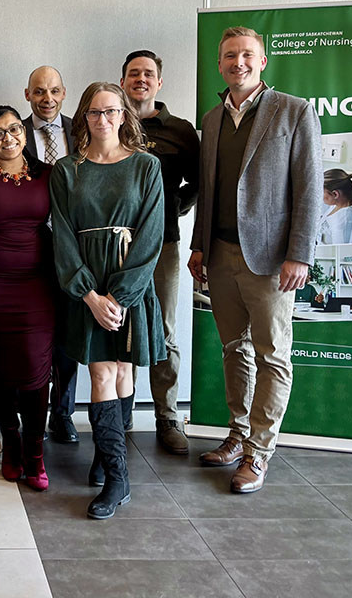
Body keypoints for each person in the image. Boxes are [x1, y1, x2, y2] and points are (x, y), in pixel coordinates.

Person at [188, 26, 322, 494]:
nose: (237, 63)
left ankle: (258, 454)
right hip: (220, 254)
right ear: (219, 63)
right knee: (234, 350)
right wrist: (199, 247)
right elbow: (209, 188)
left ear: (262, 61)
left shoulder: (293, 111)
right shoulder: (211, 118)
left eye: (247, 55)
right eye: (229, 56)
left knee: (273, 356)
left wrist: (299, 254)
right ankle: (238, 433)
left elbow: (309, 189)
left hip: (271, 261)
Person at [51, 82, 164, 520]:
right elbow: (62, 238)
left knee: (122, 370)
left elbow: (151, 237)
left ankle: (108, 454)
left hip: (129, 281)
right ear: (84, 118)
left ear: (124, 115)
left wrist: (119, 295)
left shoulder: (146, 166)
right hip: (89, 286)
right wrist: (91, 296)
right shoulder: (67, 170)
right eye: (95, 112)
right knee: (102, 371)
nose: (103, 119)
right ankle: (117, 476)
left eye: (111, 111)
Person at [0, 105, 53, 491]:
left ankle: (35, 453)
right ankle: (12, 445)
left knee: (37, 373)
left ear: (24, 132)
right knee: (0, 371)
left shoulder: (48, 175)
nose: (8, 138)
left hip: (38, 285)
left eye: (14, 129)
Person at [120, 50, 200, 456]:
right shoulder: (108, 123)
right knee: (120, 326)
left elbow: (201, 181)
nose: (141, 79)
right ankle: (121, 411)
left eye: (148, 74)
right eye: (134, 73)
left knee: (164, 329)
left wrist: (178, 206)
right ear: (123, 81)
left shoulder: (180, 130)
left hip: (164, 244)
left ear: (159, 83)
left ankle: (168, 416)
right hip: (115, 247)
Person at [21, 66, 79, 446]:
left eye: (54, 90)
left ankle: (63, 413)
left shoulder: (84, 129)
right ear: (28, 94)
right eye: (39, 91)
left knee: (69, 337)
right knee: (32, 336)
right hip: (30, 251)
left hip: (74, 248)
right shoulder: (14, 132)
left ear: (64, 92)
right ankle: (30, 413)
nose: (47, 98)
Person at [319, 168, 352, 245]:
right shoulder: (336, 205)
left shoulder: (343, 223)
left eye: (321, 191)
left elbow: (340, 253)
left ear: (335, 194)